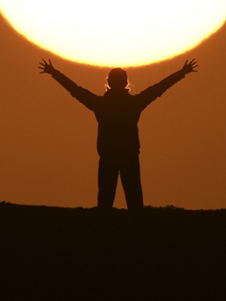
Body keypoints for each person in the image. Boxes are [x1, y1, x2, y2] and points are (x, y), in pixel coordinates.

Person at [39, 58, 197, 210]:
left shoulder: (100, 104)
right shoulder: (134, 104)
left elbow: (75, 90)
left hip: (108, 156)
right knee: (134, 202)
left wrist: (54, 73)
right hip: (129, 156)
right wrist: (181, 72)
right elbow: (158, 88)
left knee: (105, 202)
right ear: (125, 83)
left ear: (108, 82)